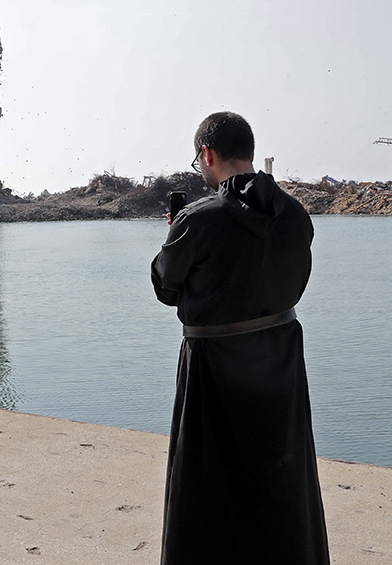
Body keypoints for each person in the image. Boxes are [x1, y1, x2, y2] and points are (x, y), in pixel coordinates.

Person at [151, 112, 329, 564]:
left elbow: (165, 287)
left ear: (207, 154)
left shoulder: (198, 219)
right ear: (248, 151)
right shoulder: (295, 213)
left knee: (208, 483)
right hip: (281, 359)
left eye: (199, 162)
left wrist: (175, 232)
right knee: (283, 473)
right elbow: (293, 279)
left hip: (213, 365)